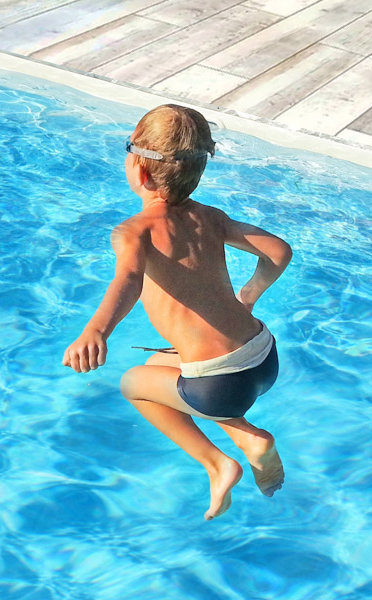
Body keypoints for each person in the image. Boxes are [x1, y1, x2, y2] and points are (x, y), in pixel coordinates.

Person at [62, 104, 292, 521]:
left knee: (134, 383)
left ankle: (220, 460)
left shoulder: (135, 231)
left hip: (221, 386)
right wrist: (249, 295)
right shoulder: (211, 217)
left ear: (141, 171)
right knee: (158, 361)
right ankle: (245, 437)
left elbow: (128, 280)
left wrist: (97, 330)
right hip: (264, 355)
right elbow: (279, 250)